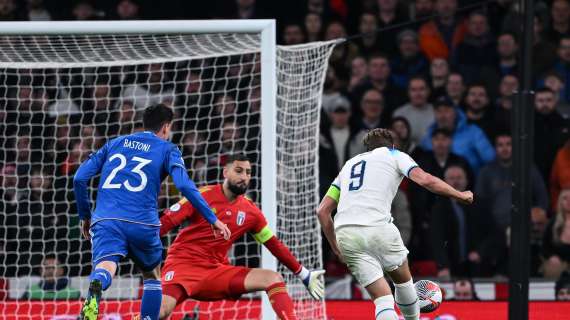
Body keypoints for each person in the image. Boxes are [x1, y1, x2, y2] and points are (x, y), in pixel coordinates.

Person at [73, 104, 231, 320]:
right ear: (166, 127)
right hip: (143, 223)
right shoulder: (168, 149)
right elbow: (185, 186)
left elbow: (79, 178)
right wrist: (212, 218)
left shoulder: (116, 143)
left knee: (106, 265)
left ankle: (98, 283)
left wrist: (85, 216)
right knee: (152, 276)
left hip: (106, 220)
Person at [317, 128, 473, 320]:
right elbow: (426, 180)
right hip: (378, 227)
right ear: (393, 144)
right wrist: (460, 195)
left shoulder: (349, 165)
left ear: (368, 148)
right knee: (403, 282)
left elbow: (322, 211)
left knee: (382, 299)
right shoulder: (395, 155)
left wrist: (336, 247)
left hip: (346, 234)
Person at [158, 154, 324, 320]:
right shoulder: (201, 196)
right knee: (161, 312)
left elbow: (274, 244)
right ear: (225, 173)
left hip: (216, 272)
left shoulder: (251, 212)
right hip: (183, 266)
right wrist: (136, 248)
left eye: (248, 172)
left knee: (272, 278)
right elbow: (166, 222)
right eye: (238, 171)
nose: (244, 177)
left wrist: (303, 274)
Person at [541, 189, 570, 279]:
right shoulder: (553, 223)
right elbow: (545, 246)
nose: (569, 201)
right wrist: (551, 256)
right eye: (565, 198)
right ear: (560, 202)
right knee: (553, 269)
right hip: (559, 262)